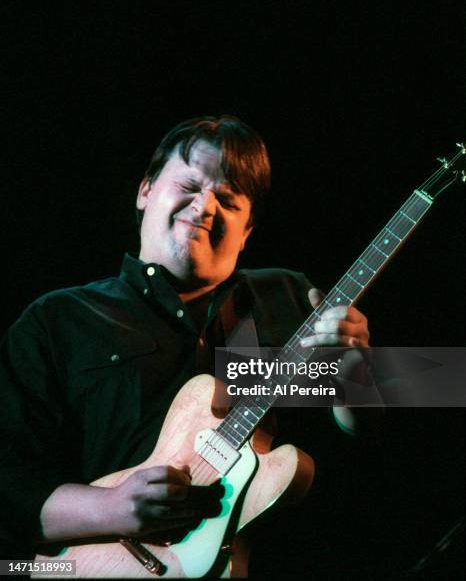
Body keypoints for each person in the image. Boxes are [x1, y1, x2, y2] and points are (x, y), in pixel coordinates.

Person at [0, 115, 370, 567]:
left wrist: (357, 376)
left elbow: (406, 436)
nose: (205, 206)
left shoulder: (288, 297)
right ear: (146, 191)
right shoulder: (57, 319)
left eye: (229, 201)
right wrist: (112, 508)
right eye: (190, 186)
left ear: (248, 230)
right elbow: (8, 478)